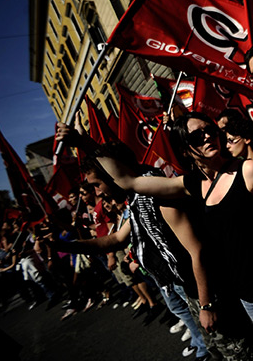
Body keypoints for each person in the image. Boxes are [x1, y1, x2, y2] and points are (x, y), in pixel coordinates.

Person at [90, 112, 253, 361]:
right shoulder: (192, 185)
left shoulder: (248, 170)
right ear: (185, 147)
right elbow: (128, 182)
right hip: (248, 296)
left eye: (210, 129)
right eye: (197, 136)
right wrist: (85, 145)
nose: (208, 136)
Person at [50, 137, 213, 360]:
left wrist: (206, 304)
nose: (97, 193)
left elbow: (196, 250)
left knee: (226, 344)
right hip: (174, 280)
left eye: (97, 184)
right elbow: (116, 238)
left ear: (113, 173)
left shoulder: (154, 190)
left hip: (195, 284)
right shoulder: (136, 198)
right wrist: (67, 246)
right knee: (209, 338)